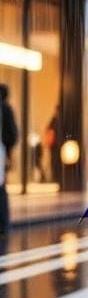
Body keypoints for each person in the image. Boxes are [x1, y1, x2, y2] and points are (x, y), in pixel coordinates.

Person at [0, 83, 19, 236]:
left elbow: (12, 135)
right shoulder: (6, 108)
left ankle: (3, 225)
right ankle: (3, 226)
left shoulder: (4, 109)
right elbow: (13, 135)